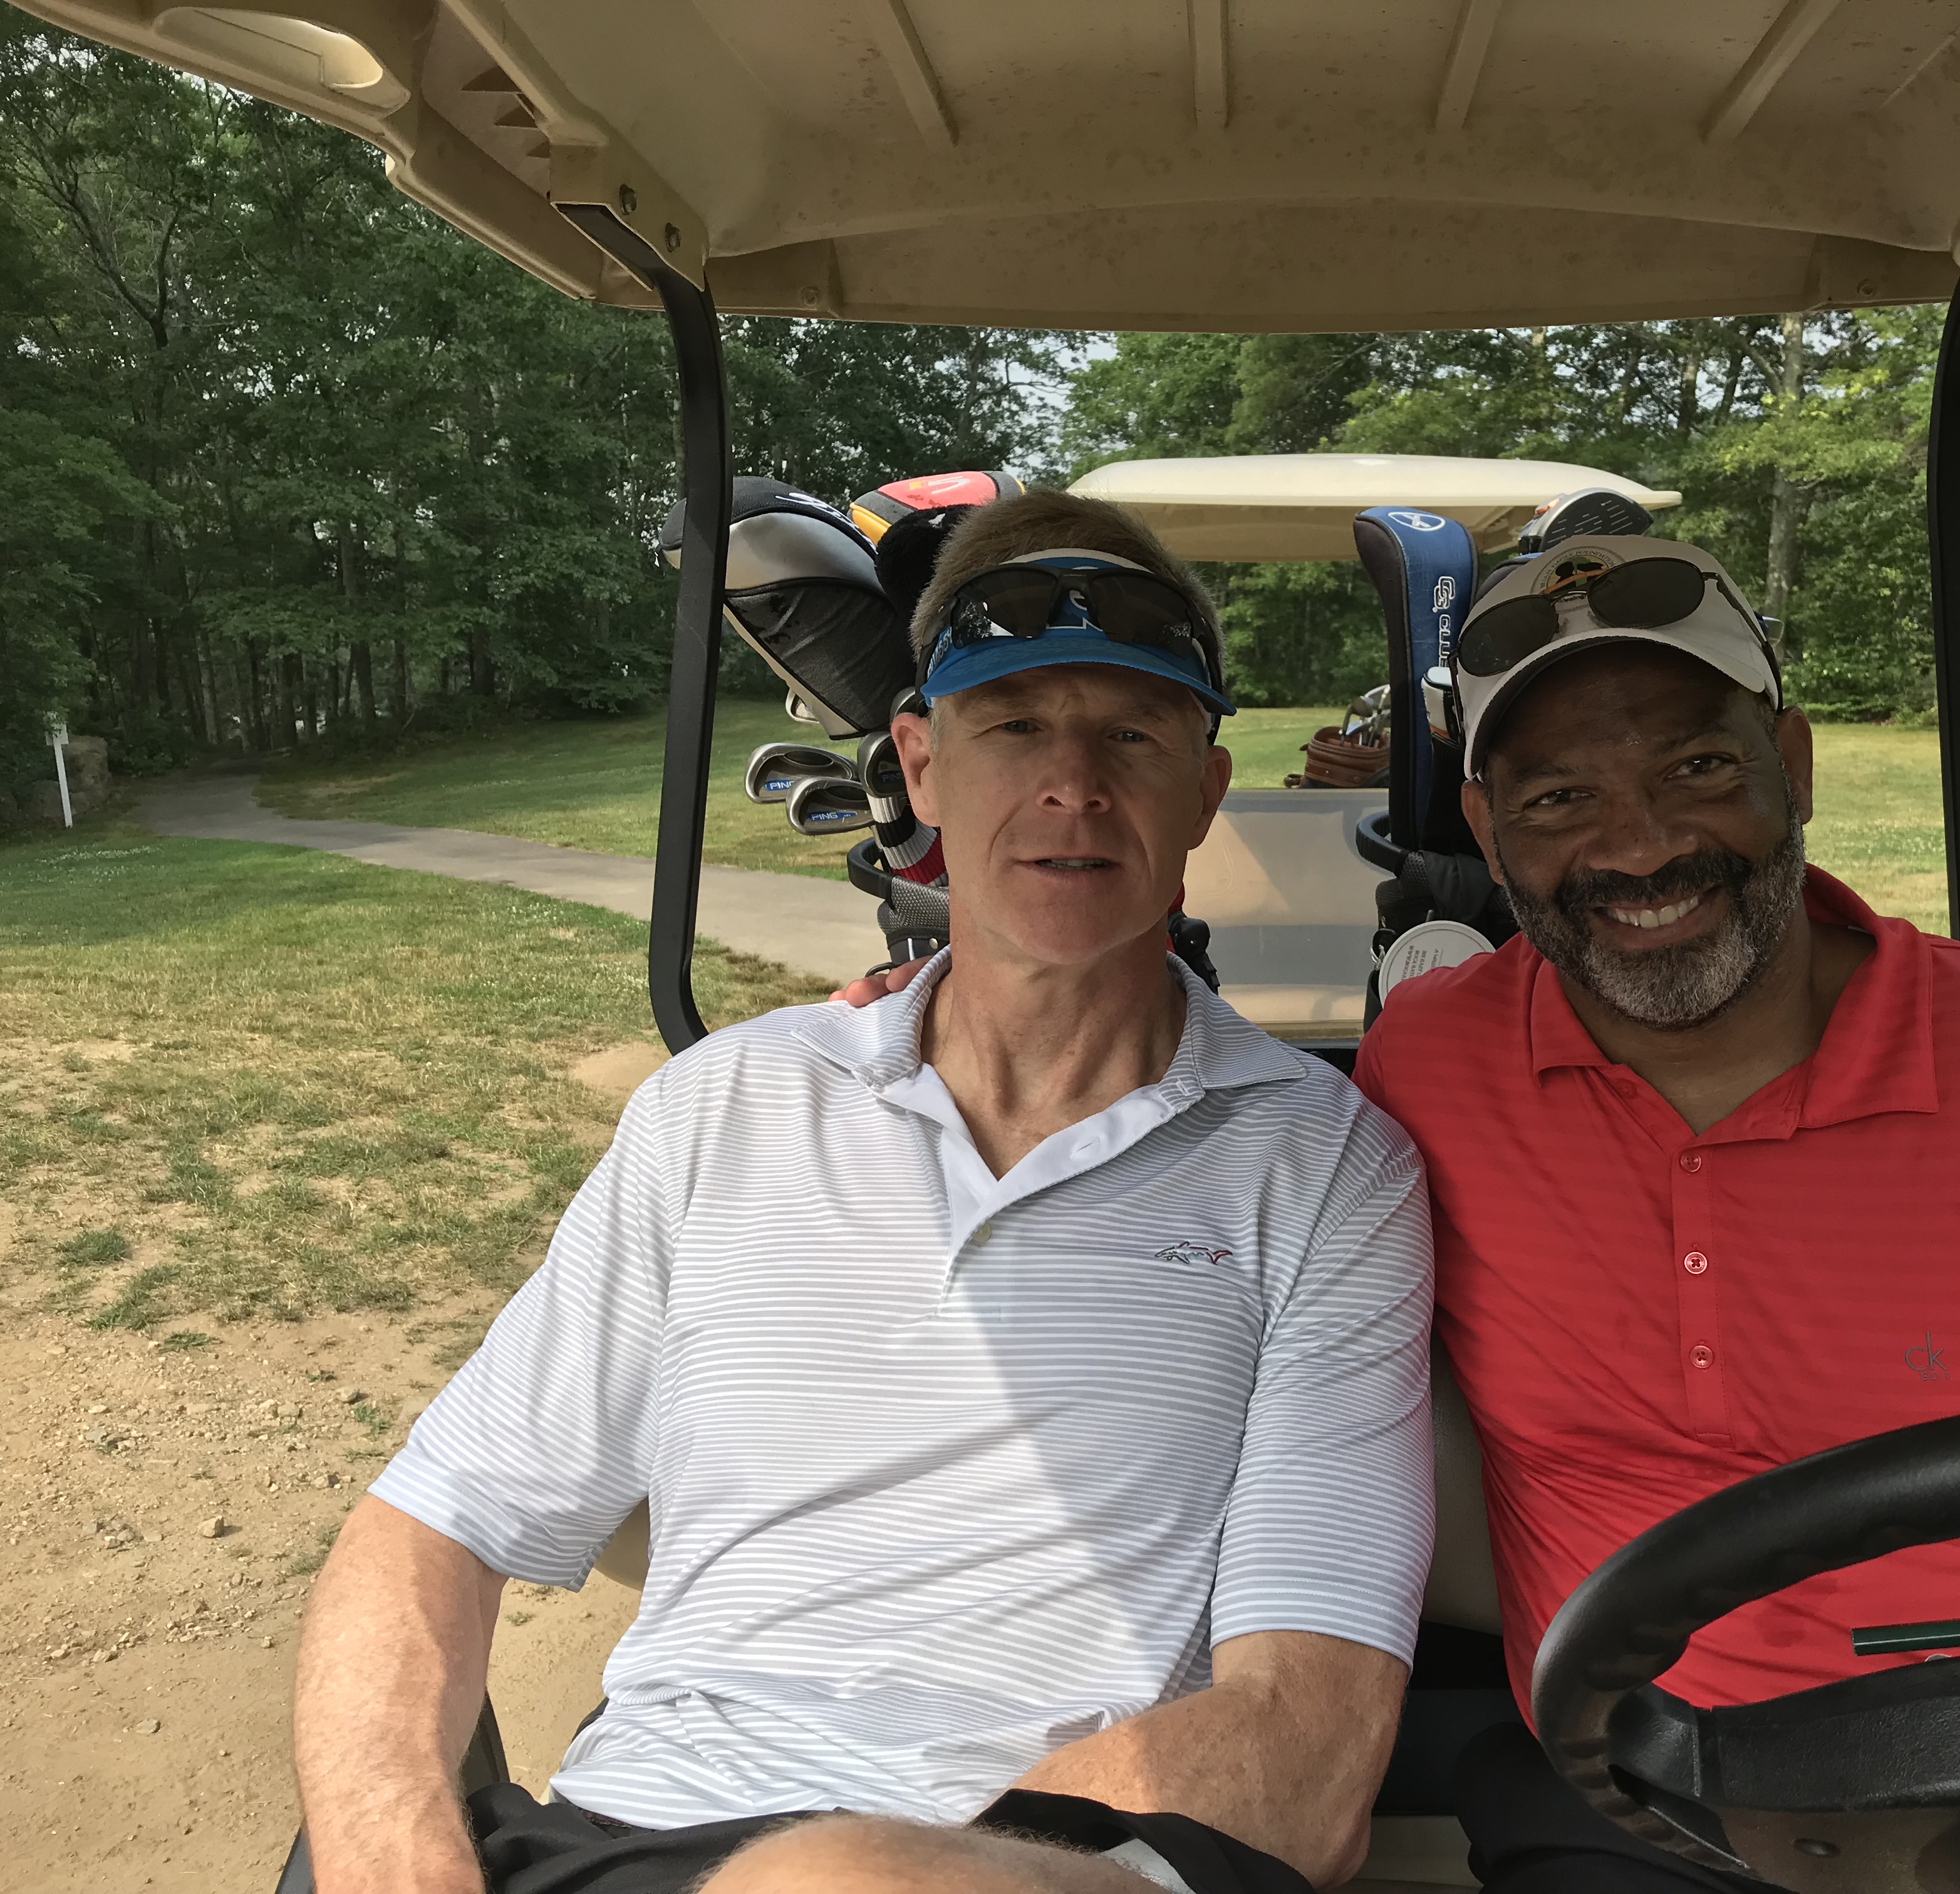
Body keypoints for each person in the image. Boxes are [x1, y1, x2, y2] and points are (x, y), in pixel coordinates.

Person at [291, 490, 1436, 1894]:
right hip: (624, 1837)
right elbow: (435, 1521)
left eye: (1131, 736)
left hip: (1037, 1863)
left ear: (1205, 792)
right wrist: (390, 1855)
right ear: (922, 767)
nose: (1072, 786)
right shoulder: (726, 1105)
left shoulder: (1326, 1169)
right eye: (1012, 727)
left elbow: (1308, 1740)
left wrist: (896, 1870)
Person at [1351, 533, 1960, 1892]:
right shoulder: (1431, 1065)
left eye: (1699, 768)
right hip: (1632, 1792)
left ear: (1793, 763)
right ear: (1486, 831)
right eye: (1560, 797)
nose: (1640, 848)